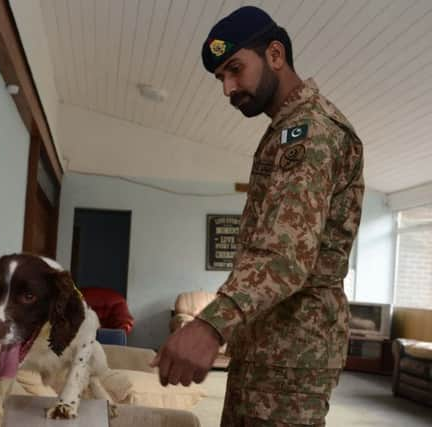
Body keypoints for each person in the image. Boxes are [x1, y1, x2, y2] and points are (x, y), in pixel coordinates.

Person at [151, 6, 364, 427]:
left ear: (275, 54)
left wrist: (209, 325)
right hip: (266, 342)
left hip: (293, 350)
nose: (228, 88)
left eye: (234, 69)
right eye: (220, 78)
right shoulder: (286, 130)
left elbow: (286, 255)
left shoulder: (310, 130)